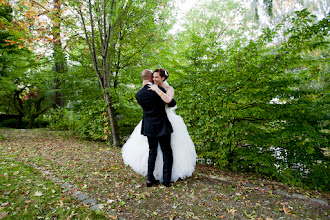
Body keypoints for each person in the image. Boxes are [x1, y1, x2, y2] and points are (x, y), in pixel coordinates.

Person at [122, 68, 197, 186]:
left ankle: (150, 179)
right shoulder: (160, 90)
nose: (155, 79)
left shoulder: (139, 94)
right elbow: (171, 103)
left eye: (157, 77)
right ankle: (166, 180)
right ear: (151, 77)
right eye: (154, 77)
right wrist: (158, 90)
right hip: (162, 124)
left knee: (152, 152)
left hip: (148, 125)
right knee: (166, 151)